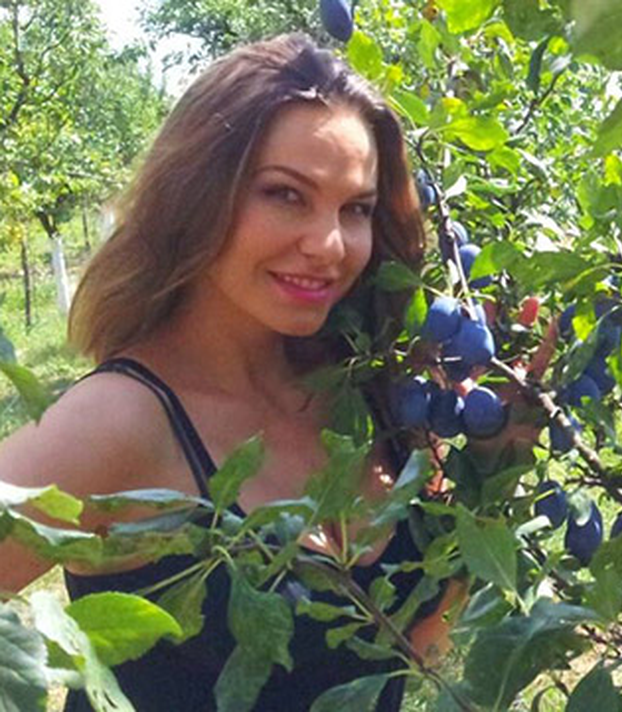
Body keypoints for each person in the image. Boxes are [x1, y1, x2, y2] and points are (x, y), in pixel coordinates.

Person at [0, 34, 465, 710]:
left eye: (356, 209)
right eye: (286, 194)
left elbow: (405, 654)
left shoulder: (363, 393)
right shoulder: (121, 421)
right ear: (198, 195)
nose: (329, 244)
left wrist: (494, 459)